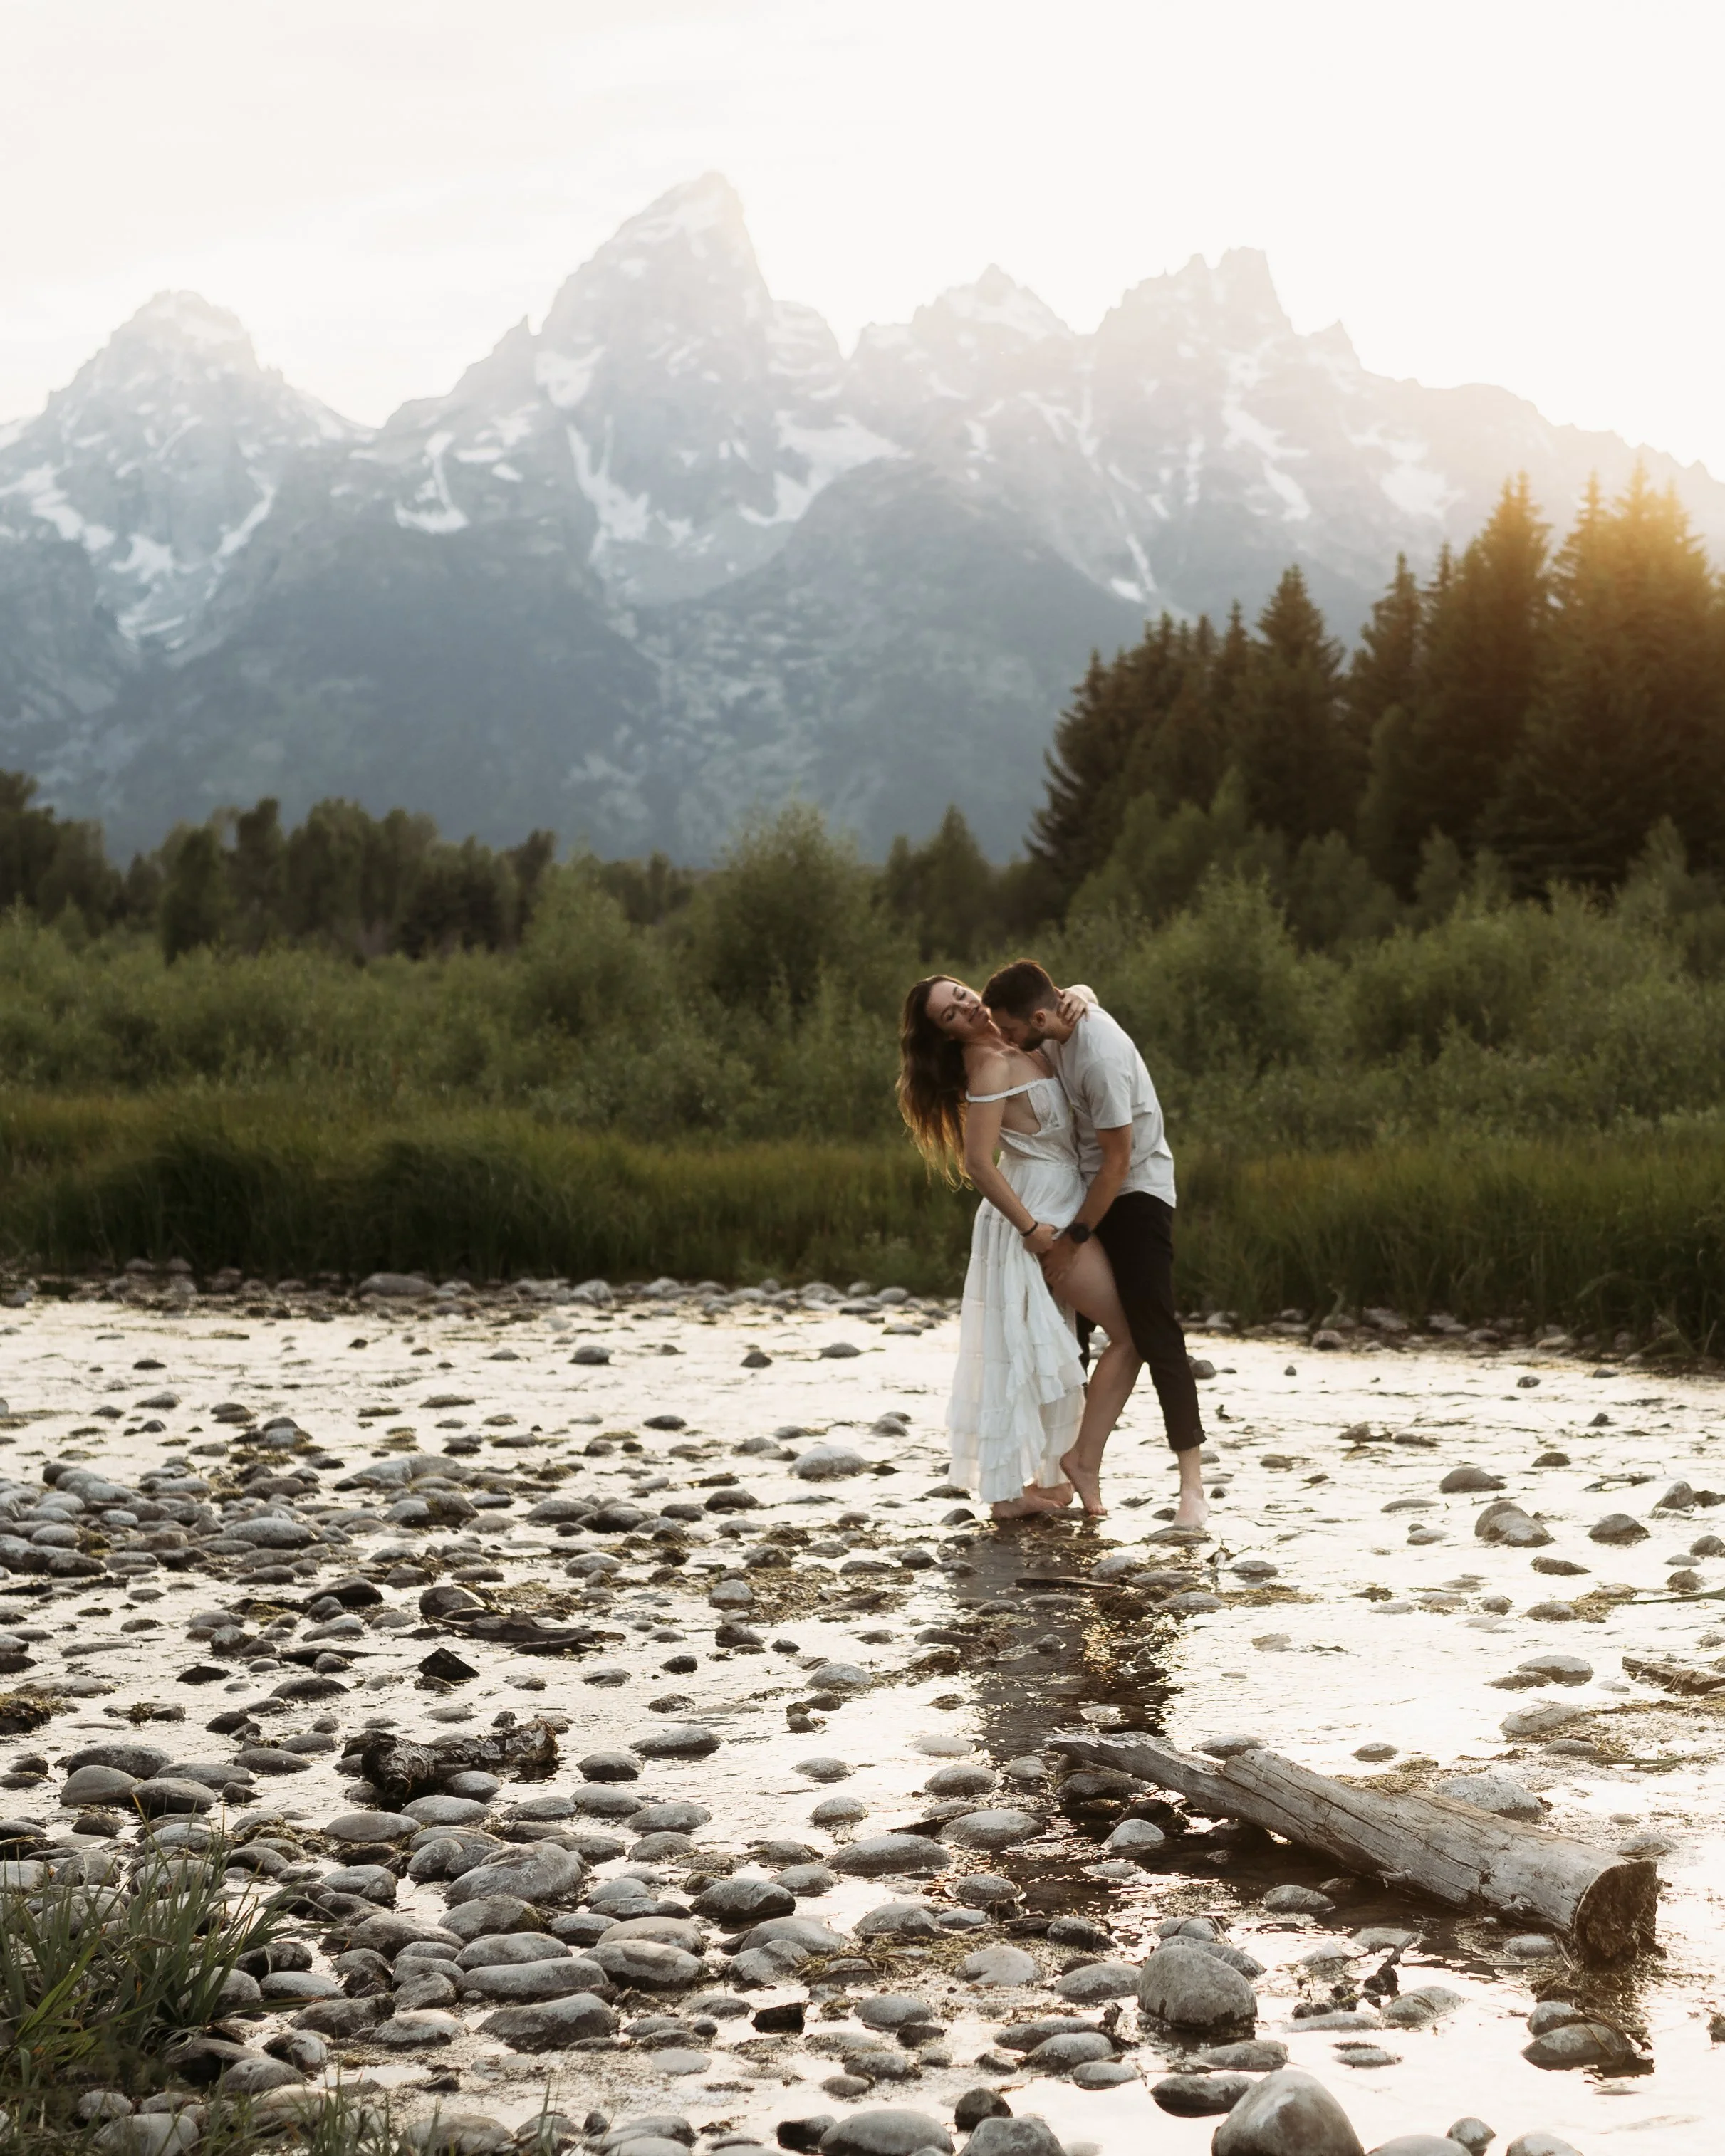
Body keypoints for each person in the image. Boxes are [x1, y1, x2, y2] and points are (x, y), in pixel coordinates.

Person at [897, 974, 1142, 1519]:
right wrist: (1032, 1231)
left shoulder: (1018, 1037)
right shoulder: (989, 1066)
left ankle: (1048, 1481)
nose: (965, 1008)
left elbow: (1058, 1005)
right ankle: (1045, 1477)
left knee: (1044, 1349)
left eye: (960, 995)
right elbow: (977, 1163)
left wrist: (1082, 992)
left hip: (1066, 1195)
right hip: (1038, 1210)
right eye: (950, 1015)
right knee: (1122, 1332)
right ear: (947, 1035)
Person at [981, 959, 1207, 1529]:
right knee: (1068, 1338)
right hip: (1084, 1192)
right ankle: (1068, 1468)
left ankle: (1192, 1491)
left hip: (1134, 1196)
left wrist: (1072, 1241)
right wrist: (1081, 991)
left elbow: (1119, 1162)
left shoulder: (1099, 1057)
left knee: (1156, 1333)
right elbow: (1069, 997)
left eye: (1009, 1031)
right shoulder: (1057, 1024)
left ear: (1037, 1017)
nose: (1005, 1041)